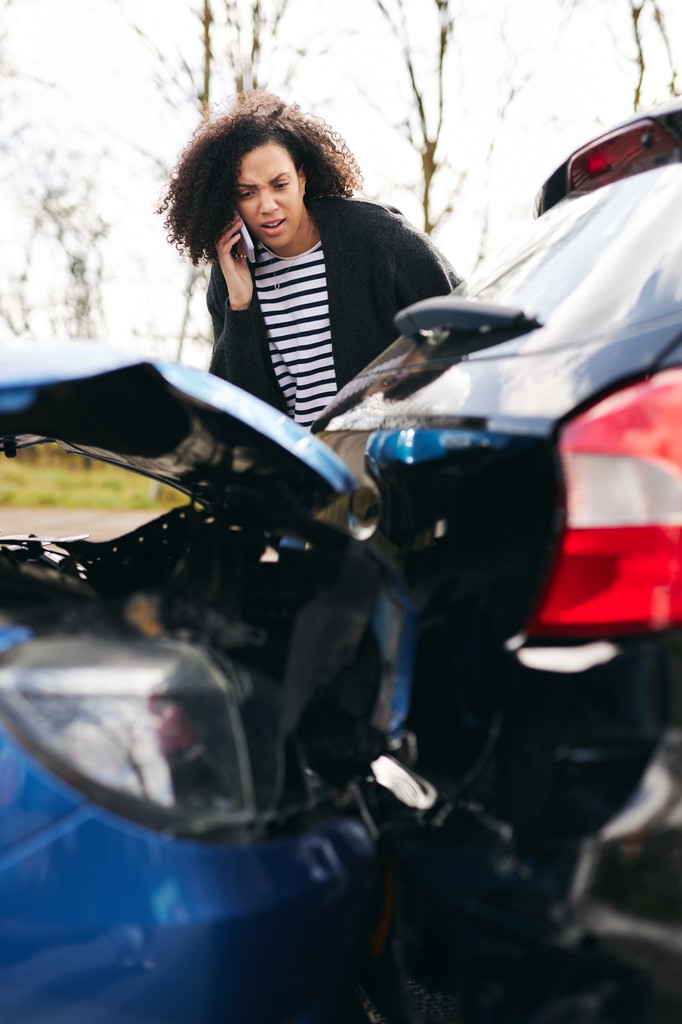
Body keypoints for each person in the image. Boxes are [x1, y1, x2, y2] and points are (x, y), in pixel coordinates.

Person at [158, 90, 462, 429]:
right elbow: (238, 413)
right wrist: (240, 307)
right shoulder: (230, 276)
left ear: (301, 179)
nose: (267, 205)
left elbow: (463, 318)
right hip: (303, 460)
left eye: (279, 185)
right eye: (248, 193)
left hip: (388, 448)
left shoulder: (376, 235)